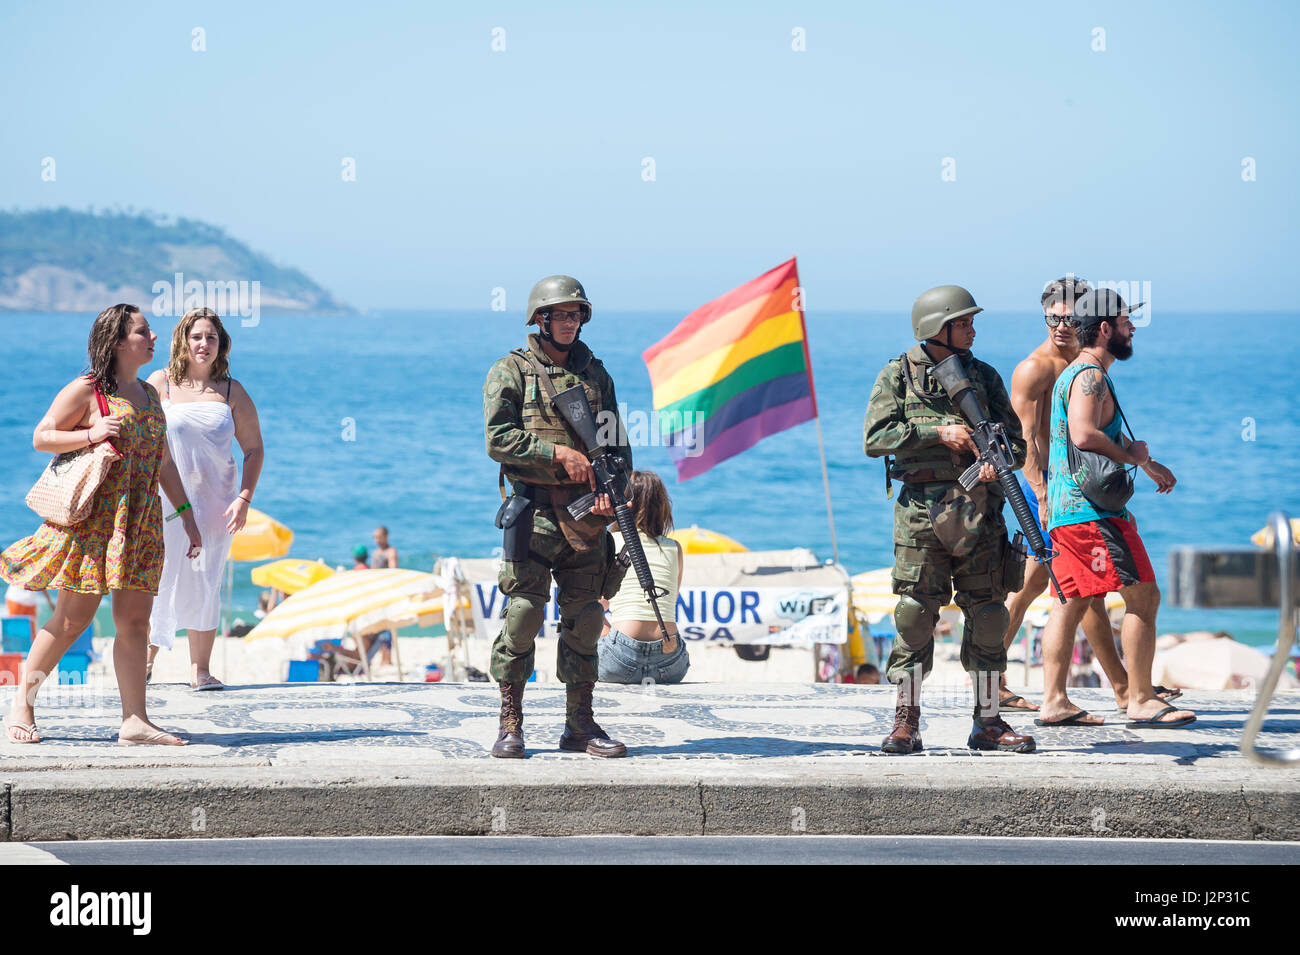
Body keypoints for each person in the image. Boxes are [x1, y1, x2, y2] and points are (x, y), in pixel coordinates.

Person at [1, 304, 201, 745]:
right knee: (72, 621)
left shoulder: (150, 394)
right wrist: (92, 433)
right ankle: (23, 703)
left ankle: (135, 721)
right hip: (96, 524)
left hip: (142, 523)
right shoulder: (89, 389)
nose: (153, 337)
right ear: (117, 342)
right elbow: (42, 435)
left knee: (135, 623)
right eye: (143, 331)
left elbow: (163, 461)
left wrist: (186, 516)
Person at [864, 285, 1035, 753]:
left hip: (982, 510)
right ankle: (906, 719)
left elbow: (1016, 446)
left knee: (989, 615)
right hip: (920, 512)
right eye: (964, 323)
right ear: (936, 327)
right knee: (915, 615)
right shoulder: (898, 375)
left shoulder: (985, 377)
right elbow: (876, 437)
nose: (973, 330)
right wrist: (937, 433)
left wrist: (989, 463)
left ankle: (988, 723)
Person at [999, 277, 1181, 714]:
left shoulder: (1077, 367)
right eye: (1054, 317)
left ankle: (1119, 688)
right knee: (1033, 589)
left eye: (1068, 317)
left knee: (1080, 593)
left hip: (1069, 491)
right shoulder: (1038, 368)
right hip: (1042, 488)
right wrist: (1040, 497)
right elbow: (1022, 440)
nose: (1061, 325)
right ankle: (990, 677)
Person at [483, 275, 632, 758]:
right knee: (523, 615)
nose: (569, 323)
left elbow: (615, 444)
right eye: (560, 315)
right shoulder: (512, 371)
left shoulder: (596, 375)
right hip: (534, 514)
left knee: (586, 620)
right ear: (540, 319)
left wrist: (616, 493)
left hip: (586, 517)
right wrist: (556, 456)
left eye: (576, 315)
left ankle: (579, 726)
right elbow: (497, 439)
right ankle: (511, 722)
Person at [1038, 288, 1195, 728]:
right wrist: (1133, 458)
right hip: (1092, 514)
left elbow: (1092, 435)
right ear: (1105, 329)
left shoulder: (1075, 373)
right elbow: (1086, 435)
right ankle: (1141, 698)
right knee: (1143, 594)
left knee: (1069, 603)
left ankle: (1054, 700)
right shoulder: (1091, 376)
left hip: (1073, 510)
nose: (1132, 329)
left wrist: (1146, 463)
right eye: (1126, 322)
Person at [145, 308, 264, 690]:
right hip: (163, 500)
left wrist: (244, 497)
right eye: (197, 336)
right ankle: (145, 661)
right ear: (183, 340)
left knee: (205, 580)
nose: (203, 344)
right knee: (157, 579)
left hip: (215, 504)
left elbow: (254, 449)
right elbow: (142, 440)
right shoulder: (159, 384)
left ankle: (200, 670)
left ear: (221, 344)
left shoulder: (232, 391)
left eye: (211, 337)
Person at [597, 470, 689, 685]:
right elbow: (669, 599)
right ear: (662, 507)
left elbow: (597, 605)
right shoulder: (674, 548)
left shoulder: (610, 541)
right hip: (670, 662)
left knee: (583, 612)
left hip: (620, 661)